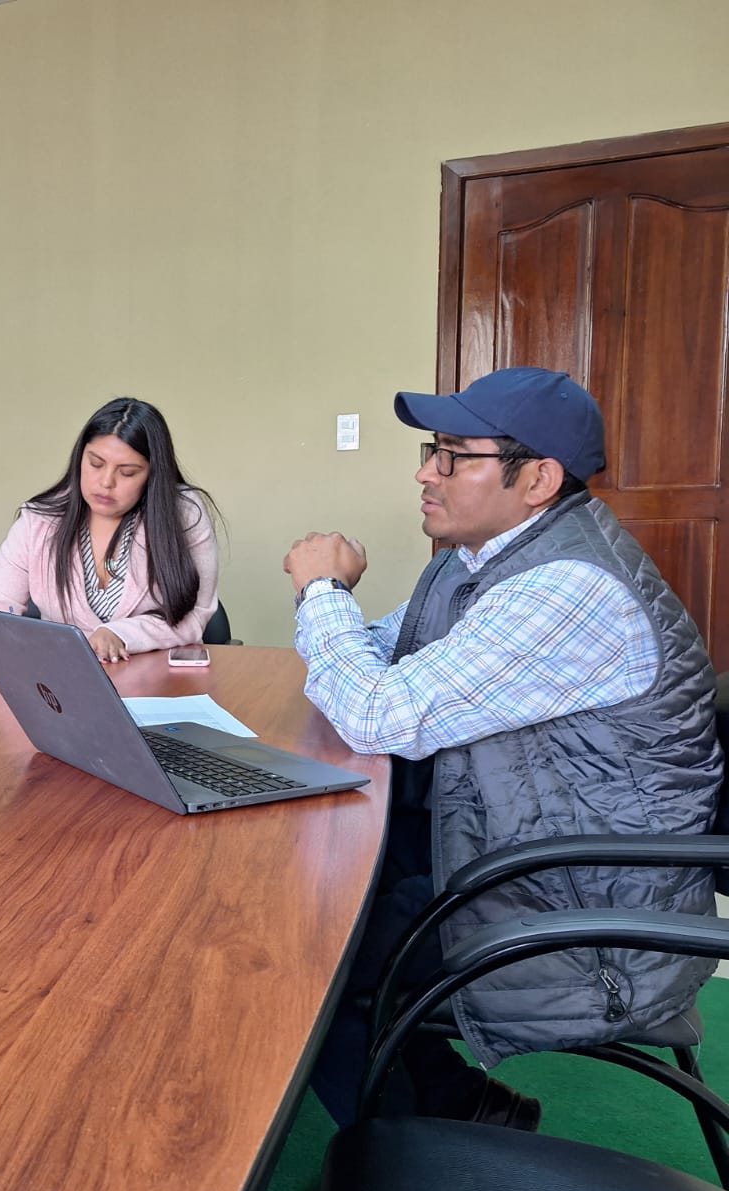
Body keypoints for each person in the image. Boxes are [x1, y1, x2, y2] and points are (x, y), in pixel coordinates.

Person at [284, 366, 722, 1131]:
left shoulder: (567, 590)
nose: (426, 472)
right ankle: (457, 1109)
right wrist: (341, 625)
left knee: (295, 960)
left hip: (581, 918)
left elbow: (375, 711)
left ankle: (416, 1147)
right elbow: (389, 659)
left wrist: (323, 594)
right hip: (506, 851)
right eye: (431, 450)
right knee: (291, 892)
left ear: (539, 479)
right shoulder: (476, 560)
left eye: (454, 455)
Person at [0, 397, 220, 660]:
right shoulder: (39, 520)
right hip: (64, 681)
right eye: (96, 463)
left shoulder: (182, 515)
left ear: (152, 475)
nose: (105, 482)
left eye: (127, 472)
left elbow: (196, 615)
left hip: (158, 682)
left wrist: (121, 634)